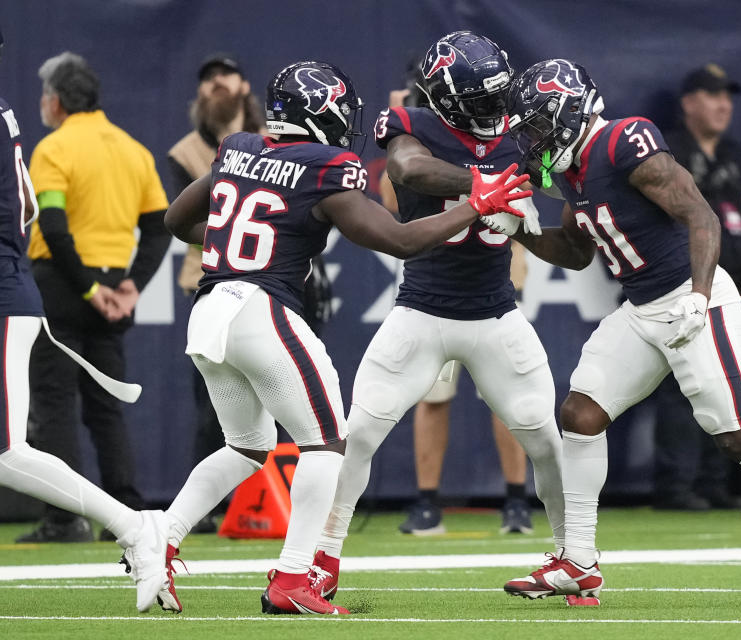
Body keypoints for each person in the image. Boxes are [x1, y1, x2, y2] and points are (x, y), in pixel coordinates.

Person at [499, 58, 741, 607]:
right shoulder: (570, 170)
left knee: (733, 435)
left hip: (692, 295)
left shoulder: (623, 143)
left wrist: (699, 297)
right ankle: (579, 561)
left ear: (566, 114)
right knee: (581, 414)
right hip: (640, 309)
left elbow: (701, 216)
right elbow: (578, 252)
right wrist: (523, 229)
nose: (531, 138)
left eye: (537, 123)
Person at [160, 60, 531, 616]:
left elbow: (176, 219)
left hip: (209, 310)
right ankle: (292, 578)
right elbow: (400, 241)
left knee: (245, 448)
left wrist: (242, 246)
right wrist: (476, 205)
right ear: (321, 112)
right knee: (329, 440)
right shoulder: (326, 165)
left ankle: (159, 540)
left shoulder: (238, 147)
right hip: (260, 309)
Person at [312, 31, 566, 596]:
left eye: (499, 98)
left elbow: (554, 177)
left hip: (497, 312)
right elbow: (408, 171)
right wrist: (488, 187)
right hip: (421, 312)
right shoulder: (412, 124)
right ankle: (321, 560)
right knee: (358, 435)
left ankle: (573, 558)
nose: (497, 111)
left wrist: (530, 196)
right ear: (446, 99)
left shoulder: (518, 128)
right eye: (482, 101)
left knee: (547, 439)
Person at [0, 31, 167, 614]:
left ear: (58, 100)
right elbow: (160, 224)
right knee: (104, 410)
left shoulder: (55, 147)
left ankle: (77, 520)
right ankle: (124, 505)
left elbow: (51, 223)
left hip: (54, 286)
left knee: (45, 414)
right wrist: (127, 287)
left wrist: (90, 288)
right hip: (103, 287)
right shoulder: (132, 148)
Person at [379, 72, 535, 536]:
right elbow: (394, 197)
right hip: (433, 283)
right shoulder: (415, 129)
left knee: (507, 399)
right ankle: (428, 501)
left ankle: (517, 499)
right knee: (433, 397)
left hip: (492, 274)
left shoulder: (502, 131)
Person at [651, 63, 741, 510]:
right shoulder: (667, 150)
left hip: (729, 287)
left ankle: (716, 483)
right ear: (688, 102)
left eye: (727, 96)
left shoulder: (734, 153)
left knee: (724, 383)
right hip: (680, 284)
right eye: (712, 95)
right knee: (680, 388)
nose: (723, 105)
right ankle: (676, 486)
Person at [168, 52, 265, 534]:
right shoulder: (186, 151)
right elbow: (181, 222)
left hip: (275, 285)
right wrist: (252, 228)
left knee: (285, 403)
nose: (215, 85)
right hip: (213, 286)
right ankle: (205, 511)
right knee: (217, 410)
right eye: (207, 79)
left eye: (224, 75)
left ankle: (266, 502)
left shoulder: (277, 142)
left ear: (244, 84)